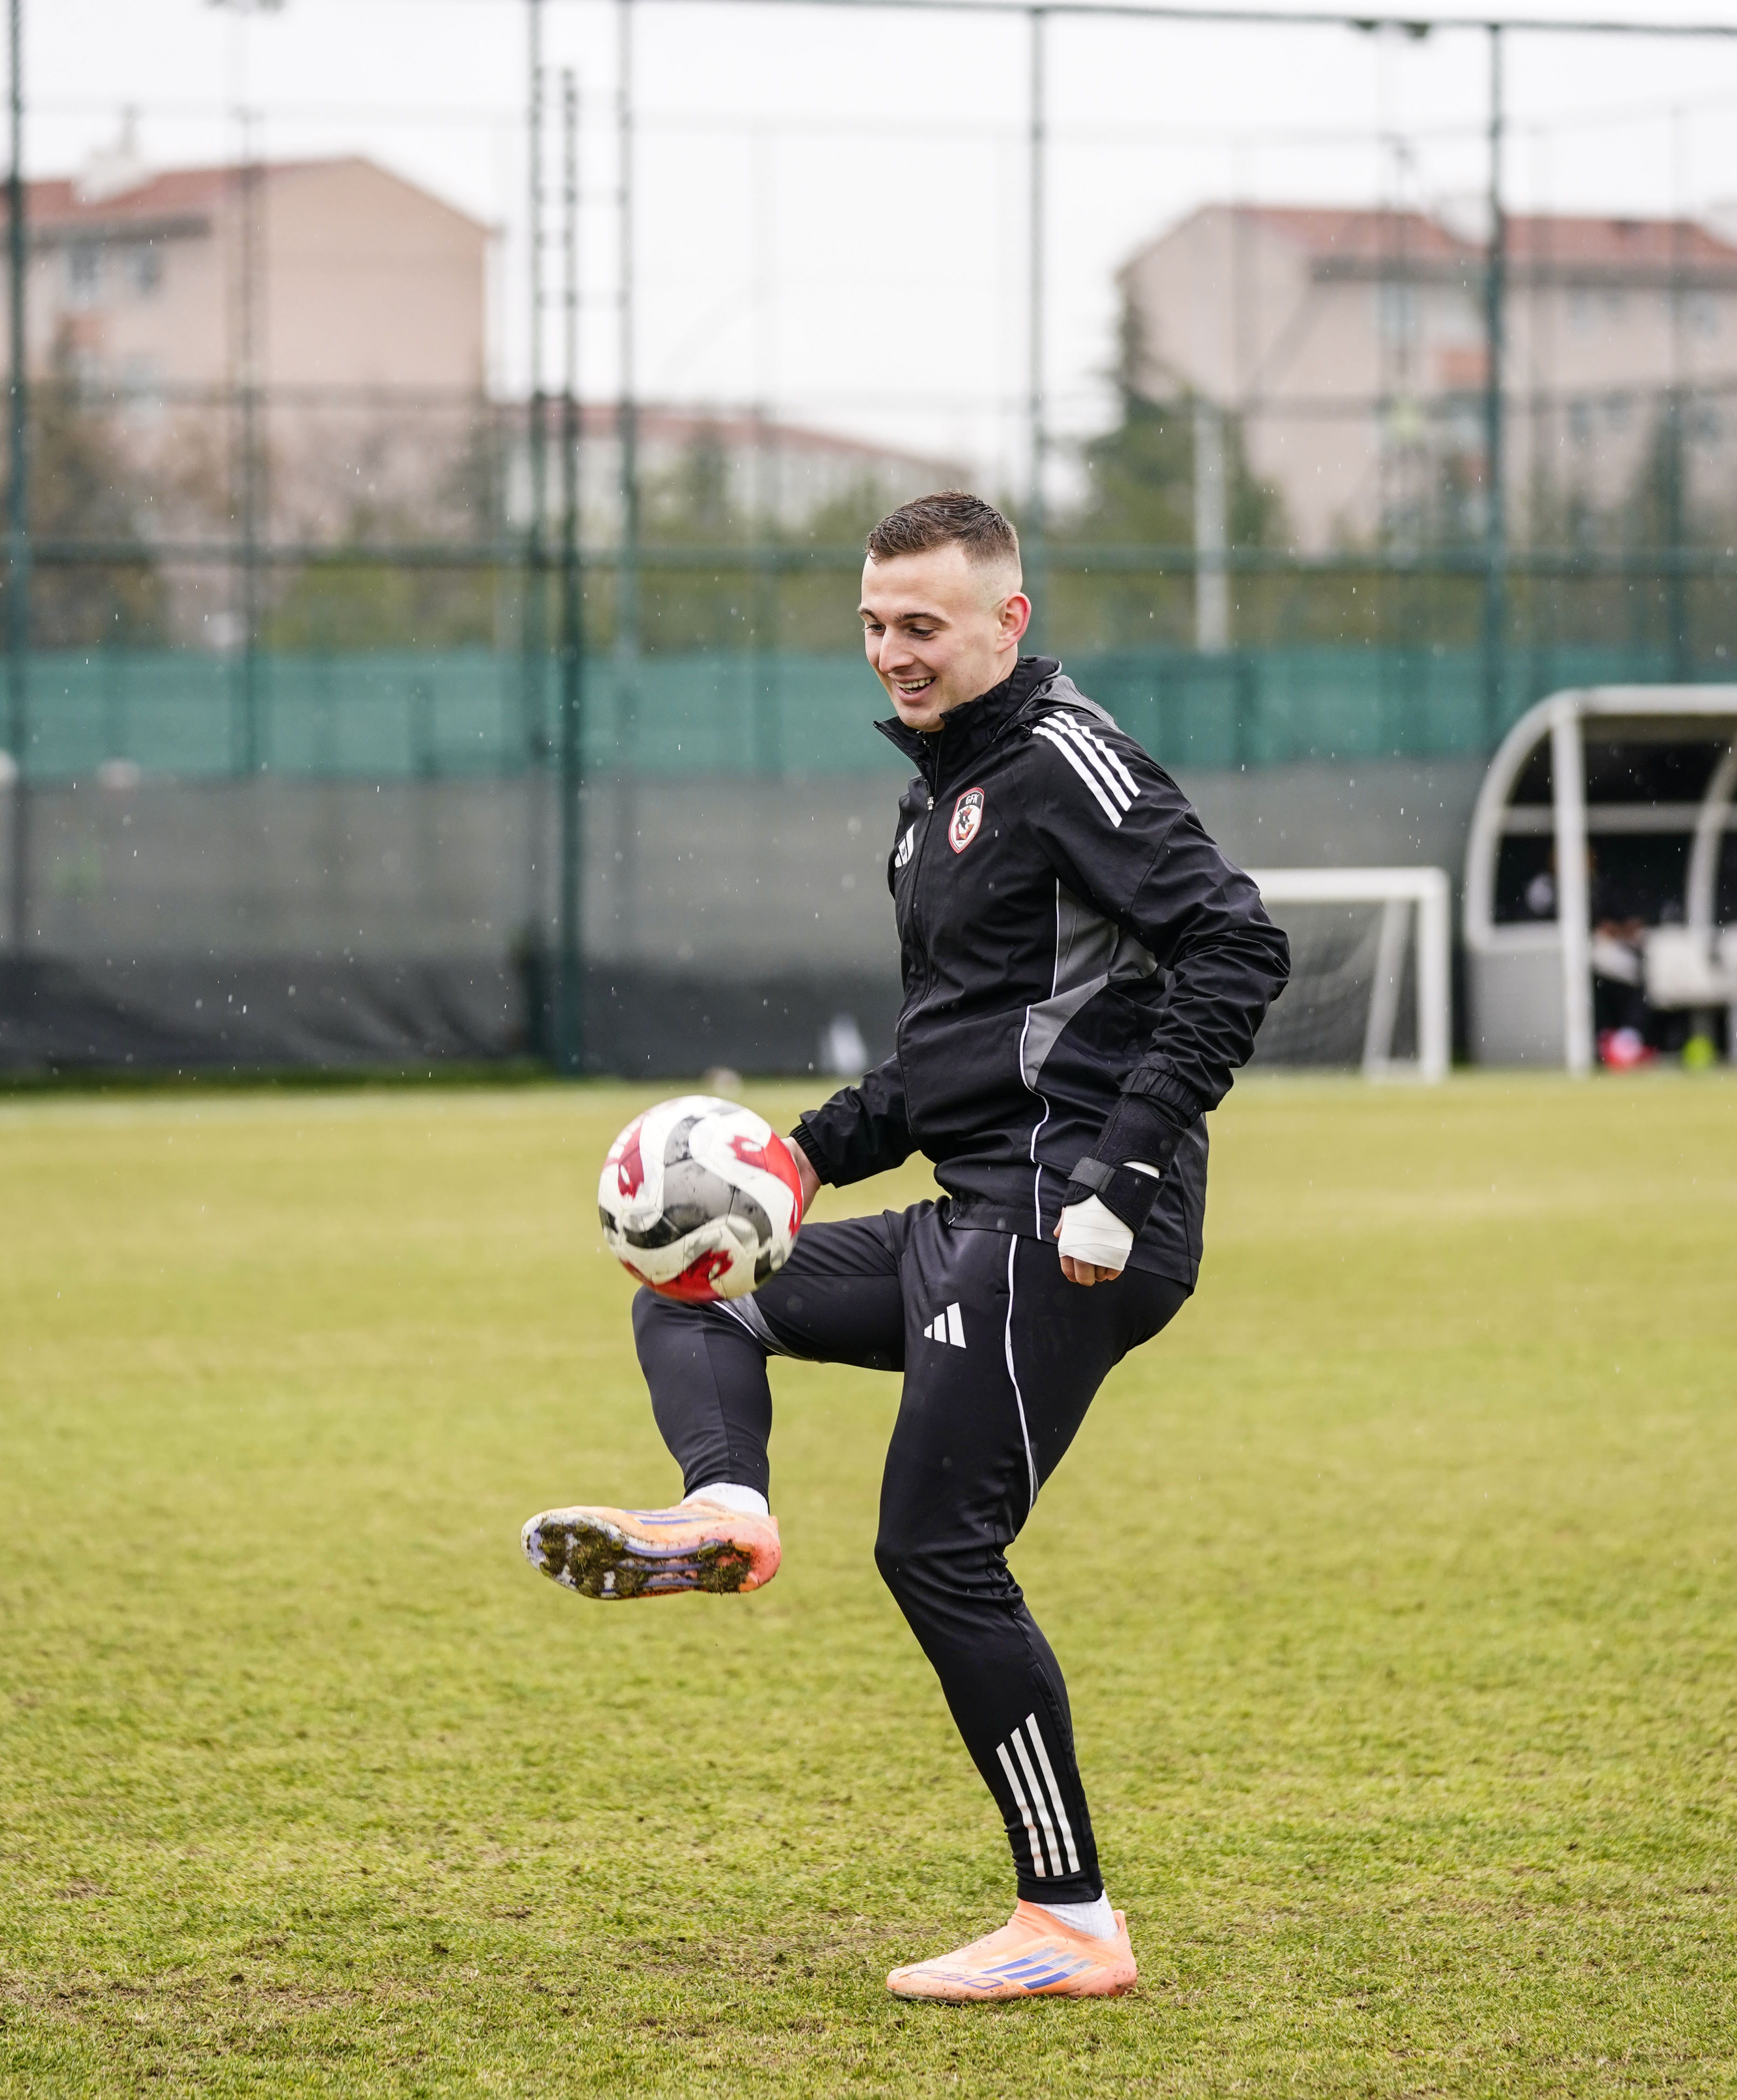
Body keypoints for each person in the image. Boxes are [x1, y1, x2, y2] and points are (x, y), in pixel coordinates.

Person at [523, 492, 1290, 2002]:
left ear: (1010, 619)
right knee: (702, 1292)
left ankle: (1071, 1923)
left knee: (939, 1550)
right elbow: (950, 1063)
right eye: (875, 625)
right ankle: (726, 1512)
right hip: (975, 1211)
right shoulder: (937, 802)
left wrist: (1126, 1168)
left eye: (924, 625)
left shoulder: (1068, 760)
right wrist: (799, 1160)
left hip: (1066, 1220)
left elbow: (1237, 944)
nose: (894, 653)